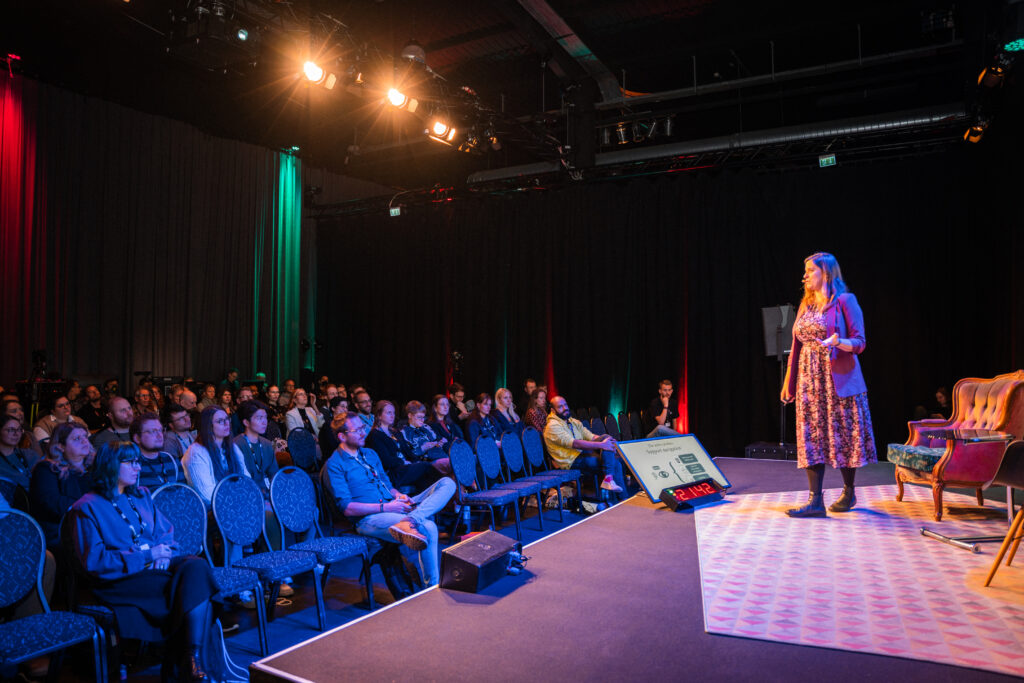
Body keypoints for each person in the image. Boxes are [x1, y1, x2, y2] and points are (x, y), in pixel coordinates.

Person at [69, 442, 218, 681]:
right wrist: (148, 556)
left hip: (155, 570)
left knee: (196, 566)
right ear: (110, 465)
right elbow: (96, 563)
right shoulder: (86, 507)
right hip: (119, 580)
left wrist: (165, 552)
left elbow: (166, 533)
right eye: (130, 462)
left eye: (138, 461)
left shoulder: (141, 496)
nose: (138, 467)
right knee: (193, 591)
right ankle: (190, 666)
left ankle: (192, 658)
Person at [780, 252, 876, 517]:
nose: (805, 275)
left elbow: (860, 341)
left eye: (810, 270)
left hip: (837, 379)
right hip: (808, 381)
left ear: (826, 273)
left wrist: (839, 342)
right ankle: (815, 501)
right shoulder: (806, 304)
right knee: (811, 436)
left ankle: (848, 491)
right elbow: (796, 345)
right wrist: (789, 383)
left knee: (844, 435)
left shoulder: (845, 300)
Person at [323, 412, 456, 587]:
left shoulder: (370, 453)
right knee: (428, 527)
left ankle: (412, 519)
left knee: (447, 483)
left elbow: (387, 484)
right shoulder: (334, 464)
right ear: (342, 436)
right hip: (369, 518)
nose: (364, 433)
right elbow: (347, 508)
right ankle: (432, 587)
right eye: (358, 430)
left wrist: (398, 496)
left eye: (363, 428)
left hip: (393, 505)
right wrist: (387, 507)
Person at [30, 422, 95, 548]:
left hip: (90, 526)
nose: (84, 441)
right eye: (77, 438)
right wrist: (92, 507)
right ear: (61, 446)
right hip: (61, 531)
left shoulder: (94, 468)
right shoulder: (46, 469)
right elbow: (52, 502)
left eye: (85, 437)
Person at [544, 396, 624, 493]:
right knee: (615, 463)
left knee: (605, 437)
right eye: (560, 407)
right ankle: (618, 498)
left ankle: (609, 481)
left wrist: (608, 441)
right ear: (552, 410)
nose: (565, 408)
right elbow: (575, 443)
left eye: (565, 405)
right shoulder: (552, 426)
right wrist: (602, 445)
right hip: (570, 462)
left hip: (582, 454)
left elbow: (591, 436)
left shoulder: (572, 421)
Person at [181, 406, 250, 508]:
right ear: (208, 426)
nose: (227, 424)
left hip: (236, 504)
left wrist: (244, 499)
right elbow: (207, 495)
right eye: (220, 421)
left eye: (227, 419)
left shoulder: (233, 447)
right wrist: (236, 502)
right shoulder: (196, 452)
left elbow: (246, 478)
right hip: (212, 512)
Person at [365, 401, 439, 493]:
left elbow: (408, 452)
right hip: (392, 472)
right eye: (389, 413)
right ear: (379, 415)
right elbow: (385, 461)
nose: (392, 415)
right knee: (426, 467)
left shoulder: (395, 432)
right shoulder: (375, 435)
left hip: (405, 467)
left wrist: (416, 461)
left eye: (393, 413)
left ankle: (426, 501)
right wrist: (403, 462)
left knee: (425, 472)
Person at [131, 412, 185, 490]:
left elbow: (183, 493)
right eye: (153, 431)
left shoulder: (172, 460)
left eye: (160, 430)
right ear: (137, 438)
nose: (160, 435)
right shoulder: (131, 465)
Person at [399, 401, 453, 476]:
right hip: (427, 462)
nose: (422, 420)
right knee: (454, 463)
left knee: (461, 458)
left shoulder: (426, 427)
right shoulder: (404, 432)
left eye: (423, 417)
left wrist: (440, 443)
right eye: (419, 417)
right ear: (410, 415)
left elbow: (436, 440)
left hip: (440, 456)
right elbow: (408, 455)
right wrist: (423, 448)